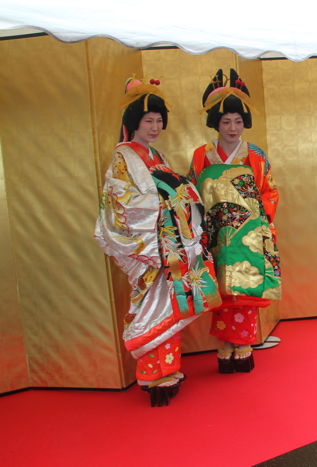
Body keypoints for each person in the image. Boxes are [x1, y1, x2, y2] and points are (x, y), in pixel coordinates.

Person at [95, 78, 221, 406]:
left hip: (172, 242)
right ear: (133, 122)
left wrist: (182, 202)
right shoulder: (124, 157)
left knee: (170, 304)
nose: (155, 126)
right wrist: (171, 202)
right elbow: (121, 202)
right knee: (153, 305)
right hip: (151, 244)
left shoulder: (155, 153)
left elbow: (169, 189)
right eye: (148, 120)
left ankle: (168, 369)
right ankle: (153, 375)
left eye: (159, 120)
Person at [189, 68, 281, 374]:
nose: (232, 127)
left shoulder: (254, 155)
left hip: (248, 234)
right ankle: (226, 344)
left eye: (238, 122)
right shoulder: (201, 155)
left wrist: (261, 219)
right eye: (226, 121)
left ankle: (241, 344)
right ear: (216, 123)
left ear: (245, 124)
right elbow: (192, 192)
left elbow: (269, 190)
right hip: (214, 234)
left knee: (245, 288)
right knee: (221, 290)